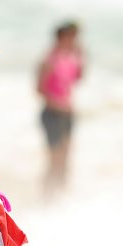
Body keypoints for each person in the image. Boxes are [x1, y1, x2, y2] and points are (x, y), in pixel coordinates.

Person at [36, 21, 84, 195]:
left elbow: (79, 77)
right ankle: (46, 195)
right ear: (62, 37)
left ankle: (61, 196)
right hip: (52, 114)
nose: (75, 40)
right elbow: (39, 89)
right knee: (54, 160)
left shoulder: (71, 57)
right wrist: (58, 104)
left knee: (66, 159)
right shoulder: (48, 60)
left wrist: (81, 55)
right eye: (72, 37)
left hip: (68, 114)